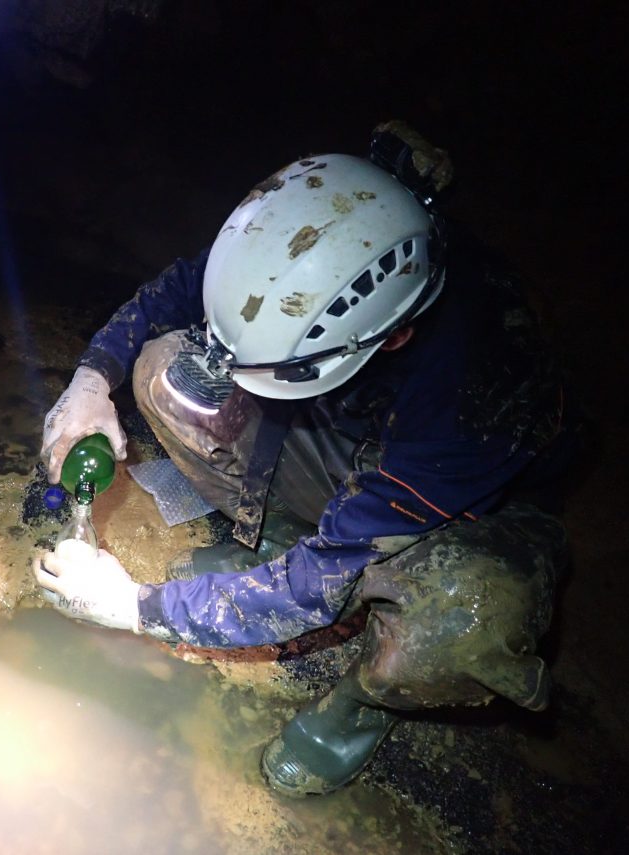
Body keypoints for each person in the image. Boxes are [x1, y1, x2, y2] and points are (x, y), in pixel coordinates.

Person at [34, 123, 581, 796]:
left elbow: (324, 576)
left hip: (466, 511)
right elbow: (178, 289)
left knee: (466, 618)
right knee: (162, 372)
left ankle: (360, 706)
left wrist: (137, 607)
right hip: (355, 431)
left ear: (395, 334)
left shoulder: (472, 398)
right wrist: (91, 381)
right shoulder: (308, 238)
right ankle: (275, 535)